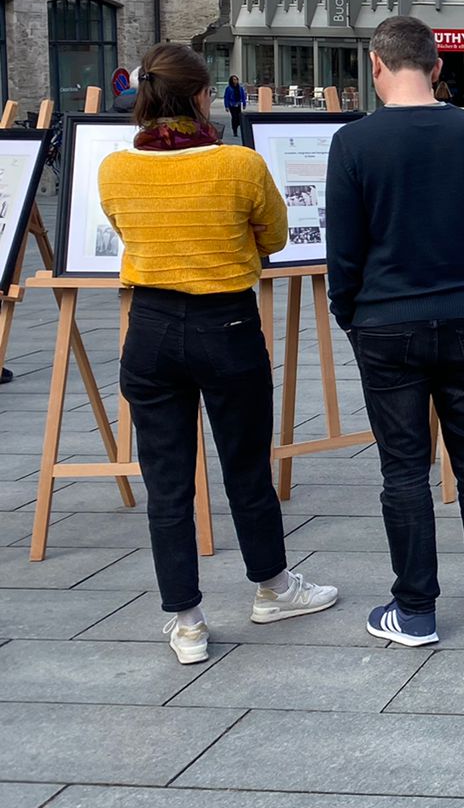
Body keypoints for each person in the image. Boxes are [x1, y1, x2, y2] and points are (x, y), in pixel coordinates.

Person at [99, 43, 338, 666]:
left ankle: (186, 622)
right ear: (205, 97)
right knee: (246, 465)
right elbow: (277, 235)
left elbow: (125, 229)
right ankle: (272, 587)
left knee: (168, 482)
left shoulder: (114, 168)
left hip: (149, 327)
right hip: (226, 322)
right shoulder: (239, 164)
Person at [326, 16, 464, 646]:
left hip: (385, 321)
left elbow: (344, 251)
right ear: (438, 68)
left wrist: (349, 315)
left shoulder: (352, 143)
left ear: (376, 65)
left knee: (404, 468)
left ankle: (414, 609)